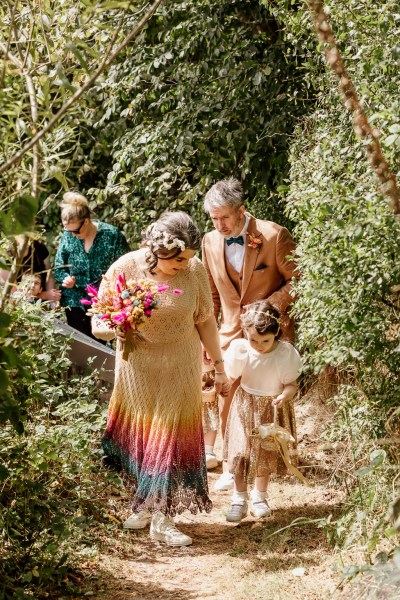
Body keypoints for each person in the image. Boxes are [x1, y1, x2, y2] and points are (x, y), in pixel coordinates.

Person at [92, 211, 230, 547]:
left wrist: (220, 365)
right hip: (137, 370)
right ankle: (144, 501)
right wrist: (120, 324)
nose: (184, 264)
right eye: (178, 259)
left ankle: (163, 518)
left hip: (180, 367)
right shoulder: (124, 268)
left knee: (169, 437)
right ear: (157, 250)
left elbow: (206, 321)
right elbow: (98, 323)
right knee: (142, 435)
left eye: (188, 258)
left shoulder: (194, 271)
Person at [201, 178, 298, 490]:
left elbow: (299, 280)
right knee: (229, 398)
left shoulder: (273, 235)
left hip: (268, 336)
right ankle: (232, 465)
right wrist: (209, 337)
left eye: (225, 217)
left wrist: (268, 308)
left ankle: (265, 471)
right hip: (229, 334)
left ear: (241, 210)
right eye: (214, 219)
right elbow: (211, 295)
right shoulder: (209, 242)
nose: (220, 225)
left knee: (263, 401)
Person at [223, 301, 302, 522]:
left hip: (270, 408)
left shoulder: (284, 354)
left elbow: (291, 384)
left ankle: (259, 496)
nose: (258, 345)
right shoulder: (242, 349)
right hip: (245, 404)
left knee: (264, 454)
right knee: (240, 452)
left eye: (264, 340)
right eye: (253, 340)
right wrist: (224, 383)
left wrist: (285, 395)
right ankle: (239, 498)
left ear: (276, 332)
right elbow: (232, 376)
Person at [54, 191, 130, 337]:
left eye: (75, 230)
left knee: (100, 343)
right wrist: (65, 278)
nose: (72, 235)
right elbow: (59, 267)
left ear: (86, 221)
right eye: (68, 231)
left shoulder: (112, 235)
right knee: (79, 345)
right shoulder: (68, 236)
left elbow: (125, 267)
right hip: (74, 300)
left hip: (103, 299)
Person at [1, 235, 61, 303]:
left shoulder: (39, 248)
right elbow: (16, 295)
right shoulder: (6, 258)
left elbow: (49, 277)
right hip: (22, 305)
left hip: (42, 298)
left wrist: (52, 302)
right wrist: (44, 295)